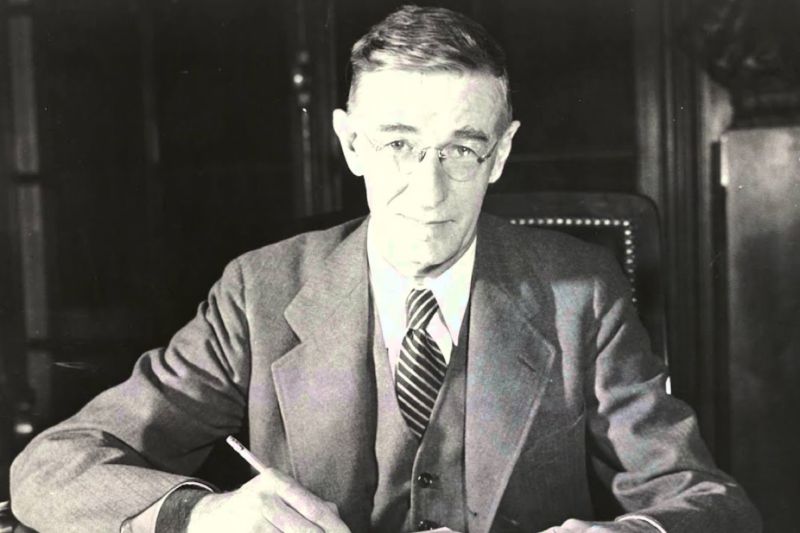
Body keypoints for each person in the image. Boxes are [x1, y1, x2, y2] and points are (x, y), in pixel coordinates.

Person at [10, 5, 760, 533]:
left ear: (499, 154)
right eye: (399, 144)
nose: (429, 193)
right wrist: (200, 514)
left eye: (461, 150)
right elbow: (51, 468)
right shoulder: (260, 293)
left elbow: (711, 502)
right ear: (350, 143)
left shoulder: (581, 293)